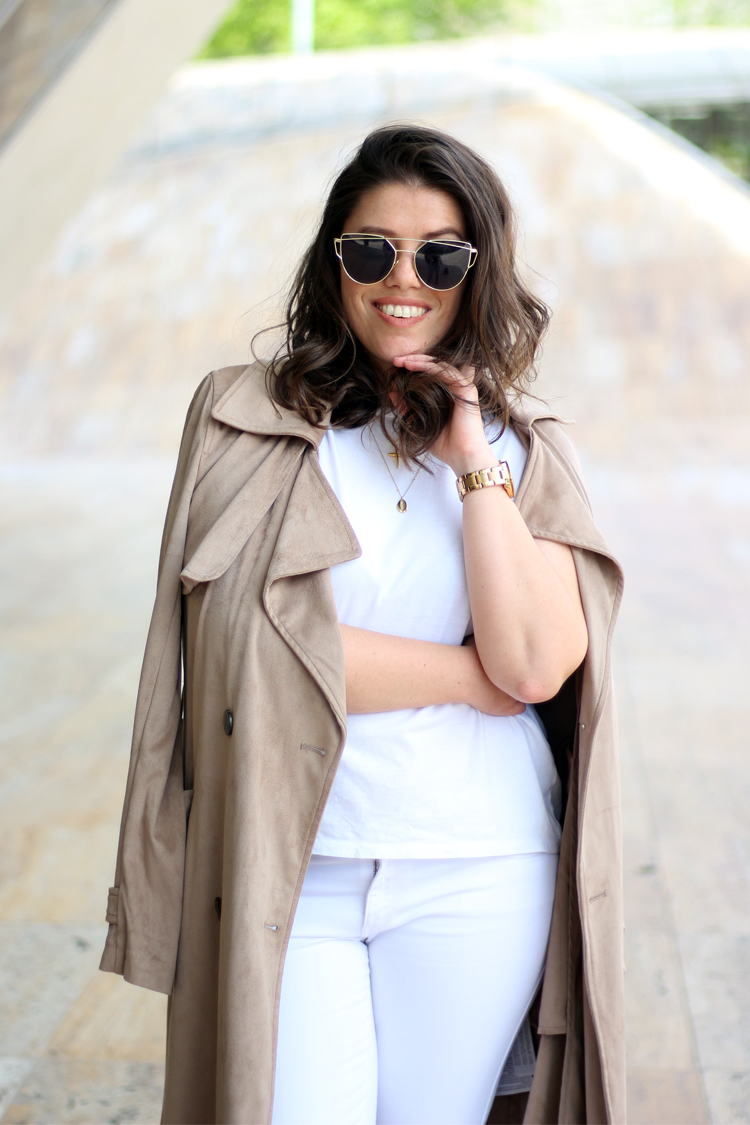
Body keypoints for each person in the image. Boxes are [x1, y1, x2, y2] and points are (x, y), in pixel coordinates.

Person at [100, 125, 625, 1125]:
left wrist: (472, 459)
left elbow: (535, 665)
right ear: (333, 258)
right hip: (298, 860)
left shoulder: (520, 448)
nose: (403, 279)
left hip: (478, 862)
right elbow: (257, 655)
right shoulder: (243, 421)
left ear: (479, 271)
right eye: (372, 249)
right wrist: (468, 679)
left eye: (441, 256)